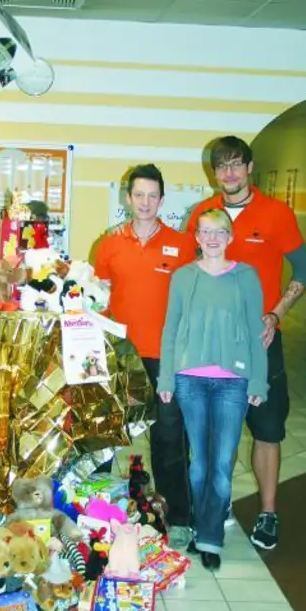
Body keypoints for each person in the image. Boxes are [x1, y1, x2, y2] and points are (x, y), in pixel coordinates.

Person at [183, 136, 306, 551]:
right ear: (214, 173)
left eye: (237, 165)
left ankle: (268, 513)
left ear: (250, 167)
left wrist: (275, 314)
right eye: (222, 167)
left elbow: (305, 270)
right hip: (210, 346)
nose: (230, 174)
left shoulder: (276, 213)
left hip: (259, 342)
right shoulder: (202, 215)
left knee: (267, 430)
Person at [158, 209, 269, 572]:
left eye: (219, 231)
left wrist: (258, 380)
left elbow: (257, 333)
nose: (211, 238)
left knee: (221, 463)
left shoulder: (246, 278)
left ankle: (209, 537)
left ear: (230, 235)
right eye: (205, 232)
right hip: (189, 379)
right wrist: (166, 379)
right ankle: (197, 524)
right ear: (196, 236)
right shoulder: (183, 277)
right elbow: (170, 330)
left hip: (232, 383)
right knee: (199, 465)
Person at [93, 164, 196, 549]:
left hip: (167, 356)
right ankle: (95, 508)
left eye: (153, 196)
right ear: (128, 198)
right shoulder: (109, 243)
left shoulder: (183, 245)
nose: (145, 202)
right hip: (118, 354)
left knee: (169, 437)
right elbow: (98, 297)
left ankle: (178, 516)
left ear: (162, 200)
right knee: (106, 435)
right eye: (139, 195)